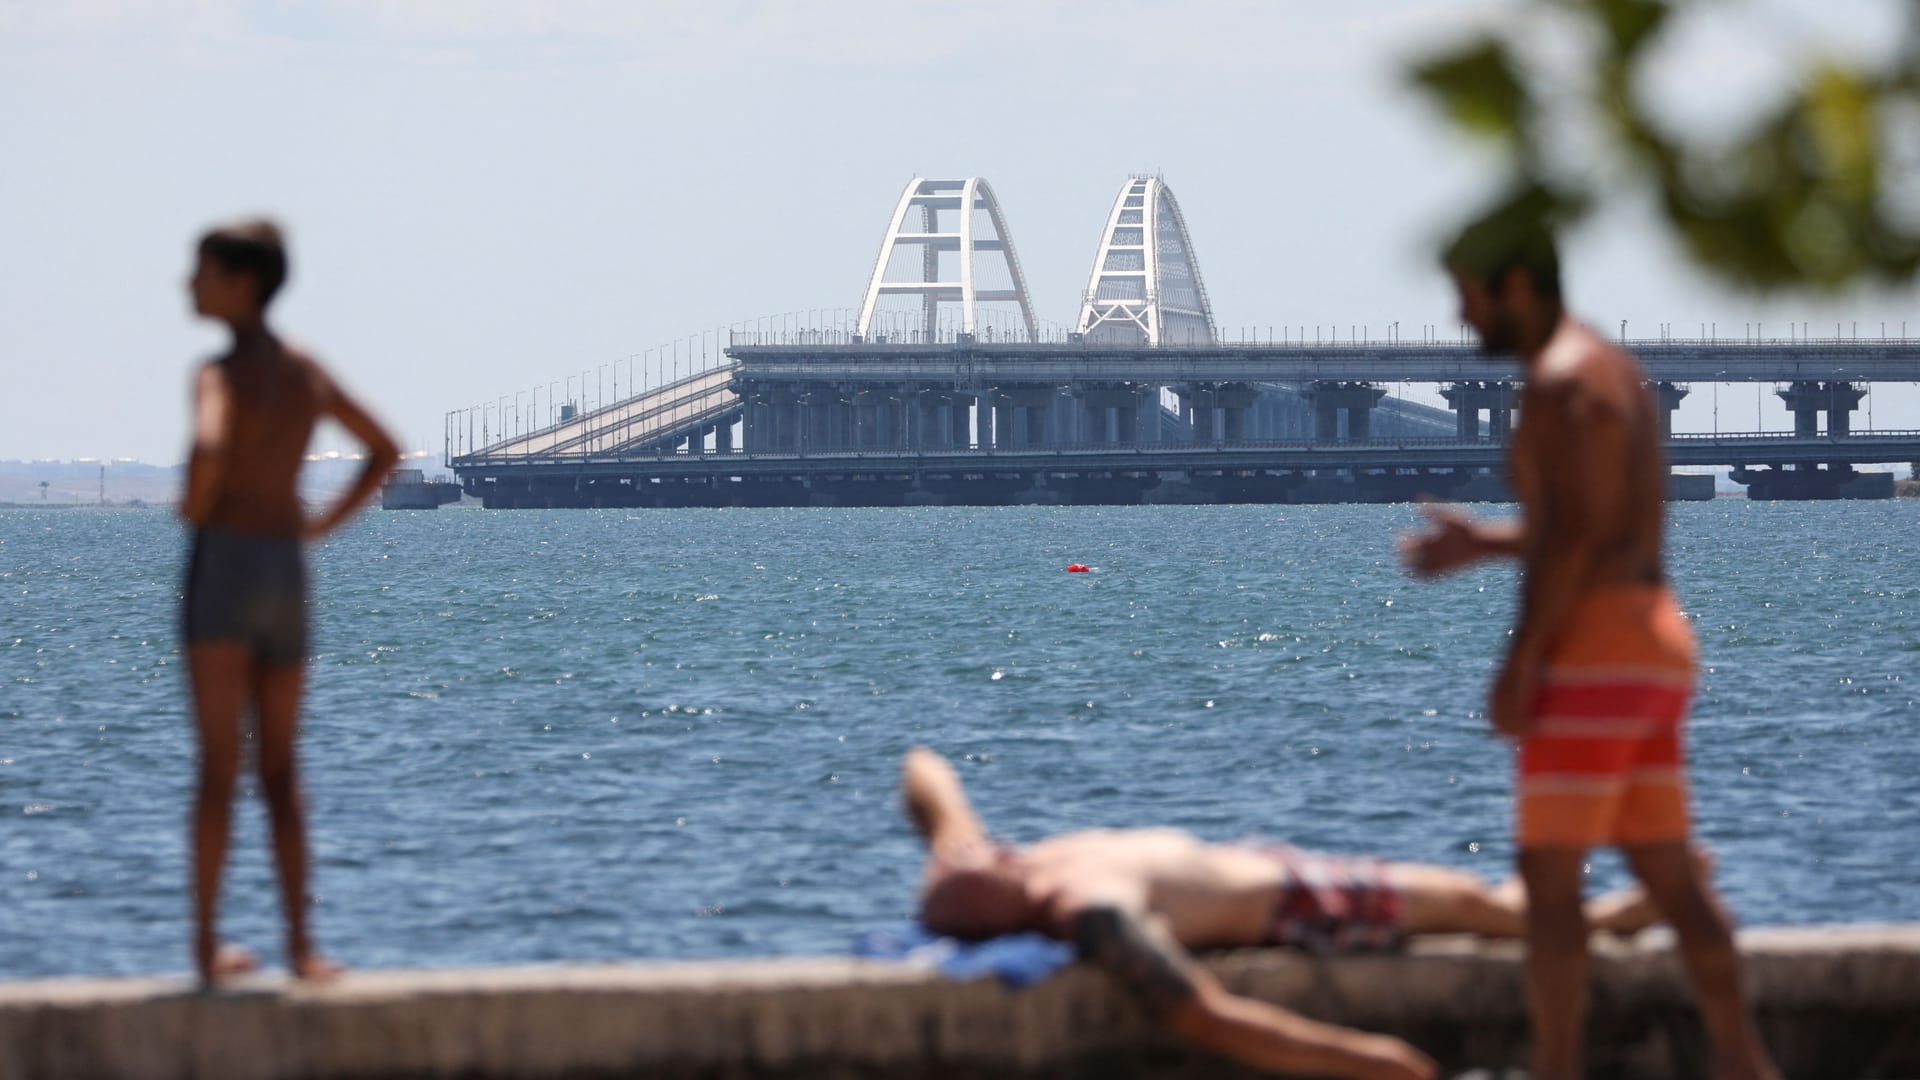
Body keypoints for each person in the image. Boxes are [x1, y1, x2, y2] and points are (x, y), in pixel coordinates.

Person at [1397, 216, 1779, 1080]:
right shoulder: (1613, 371)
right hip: (1652, 635)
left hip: (1597, 649)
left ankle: (1558, 1068)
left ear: (1519, 288)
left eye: (1470, 298)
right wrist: (1487, 544)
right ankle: (1743, 1062)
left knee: (1551, 881)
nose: (1462, 320)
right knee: (1671, 875)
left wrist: (1521, 663)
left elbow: (1572, 545)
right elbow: (1596, 522)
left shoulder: (1561, 383)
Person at [902, 748, 1673, 1080]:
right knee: (1464, 902)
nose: (981, 850)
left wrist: (945, 829)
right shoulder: (1090, 910)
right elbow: (1204, 1015)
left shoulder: (996, 868)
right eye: (972, 867)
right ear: (1005, 918)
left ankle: (1593, 914)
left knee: (1466, 896)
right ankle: (1603, 924)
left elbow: (927, 777)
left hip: (1251, 860)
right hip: (1295, 904)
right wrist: (1361, 1059)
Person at [180, 219, 399, 985]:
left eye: (201, 270)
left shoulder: (219, 372)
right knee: (281, 768)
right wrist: (317, 526)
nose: (187, 283)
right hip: (284, 564)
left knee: (217, 766)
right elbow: (385, 449)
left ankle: (208, 948)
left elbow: (210, 444)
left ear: (241, 282)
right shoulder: (304, 369)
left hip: (226, 559)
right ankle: (302, 947)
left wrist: (196, 500)